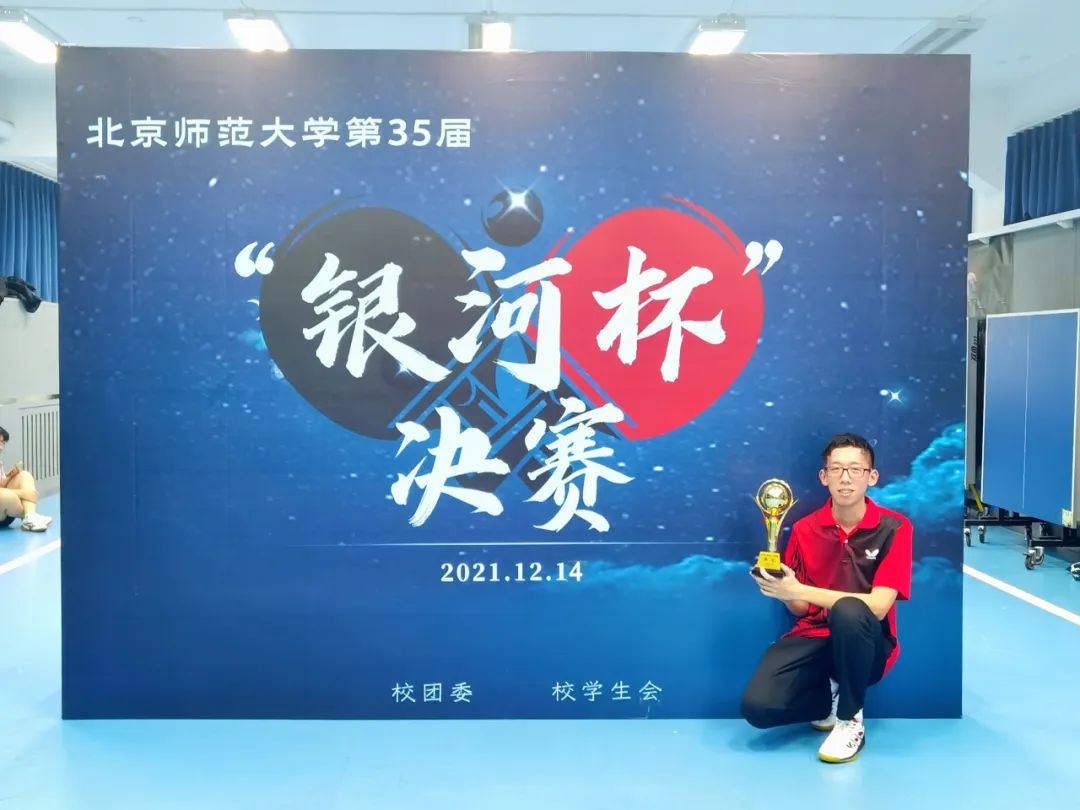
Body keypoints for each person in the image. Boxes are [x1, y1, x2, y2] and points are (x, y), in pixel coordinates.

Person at [740, 432, 912, 764]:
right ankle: (830, 697)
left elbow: (878, 607)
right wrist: (783, 590)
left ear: (871, 477)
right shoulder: (804, 529)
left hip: (869, 644)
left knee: (849, 609)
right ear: (824, 476)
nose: (845, 478)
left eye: (855, 469)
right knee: (757, 708)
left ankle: (850, 720)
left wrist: (801, 590)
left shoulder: (895, 527)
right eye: (836, 469)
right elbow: (801, 607)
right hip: (815, 637)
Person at [0, 425, 53, 532]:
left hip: (5, 512)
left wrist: (10, 476)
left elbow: (1, 485)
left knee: (24, 475)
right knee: (7, 496)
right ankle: (30, 515)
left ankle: (30, 517)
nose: (1, 447)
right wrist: (24, 493)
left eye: (3, 443)